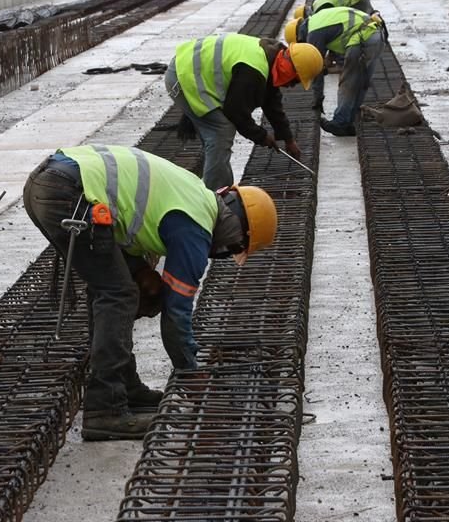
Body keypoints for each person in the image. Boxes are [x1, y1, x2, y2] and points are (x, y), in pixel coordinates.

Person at [23, 145, 279, 440]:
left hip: (47, 182)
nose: (221, 252)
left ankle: (124, 387)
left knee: (112, 286)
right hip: (69, 192)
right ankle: (104, 409)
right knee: (118, 294)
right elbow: (177, 312)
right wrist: (188, 373)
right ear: (237, 226)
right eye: (233, 248)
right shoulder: (195, 225)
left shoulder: (194, 192)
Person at [165, 33, 323, 190]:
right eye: (296, 80)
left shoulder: (272, 56)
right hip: (185, 76)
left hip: (191, 72)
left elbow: (272, 104)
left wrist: (288, 138)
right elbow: (235, 112)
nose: (292, 85)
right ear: (290, 68)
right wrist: (261, 136)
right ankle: (214, 196)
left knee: (217, 141)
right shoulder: (253, 70)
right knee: (221, 131)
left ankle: (220, 188)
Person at [285, 6, 386, 136]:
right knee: (361, 83)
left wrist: (318, 97)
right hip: (378, 34)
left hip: (362, 38)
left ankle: (340, 123)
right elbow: (338, 35)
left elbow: (317, 69)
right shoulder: (320, 19)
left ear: (299, 37)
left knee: (348, 83)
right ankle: (349, 123)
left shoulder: (313, 33)